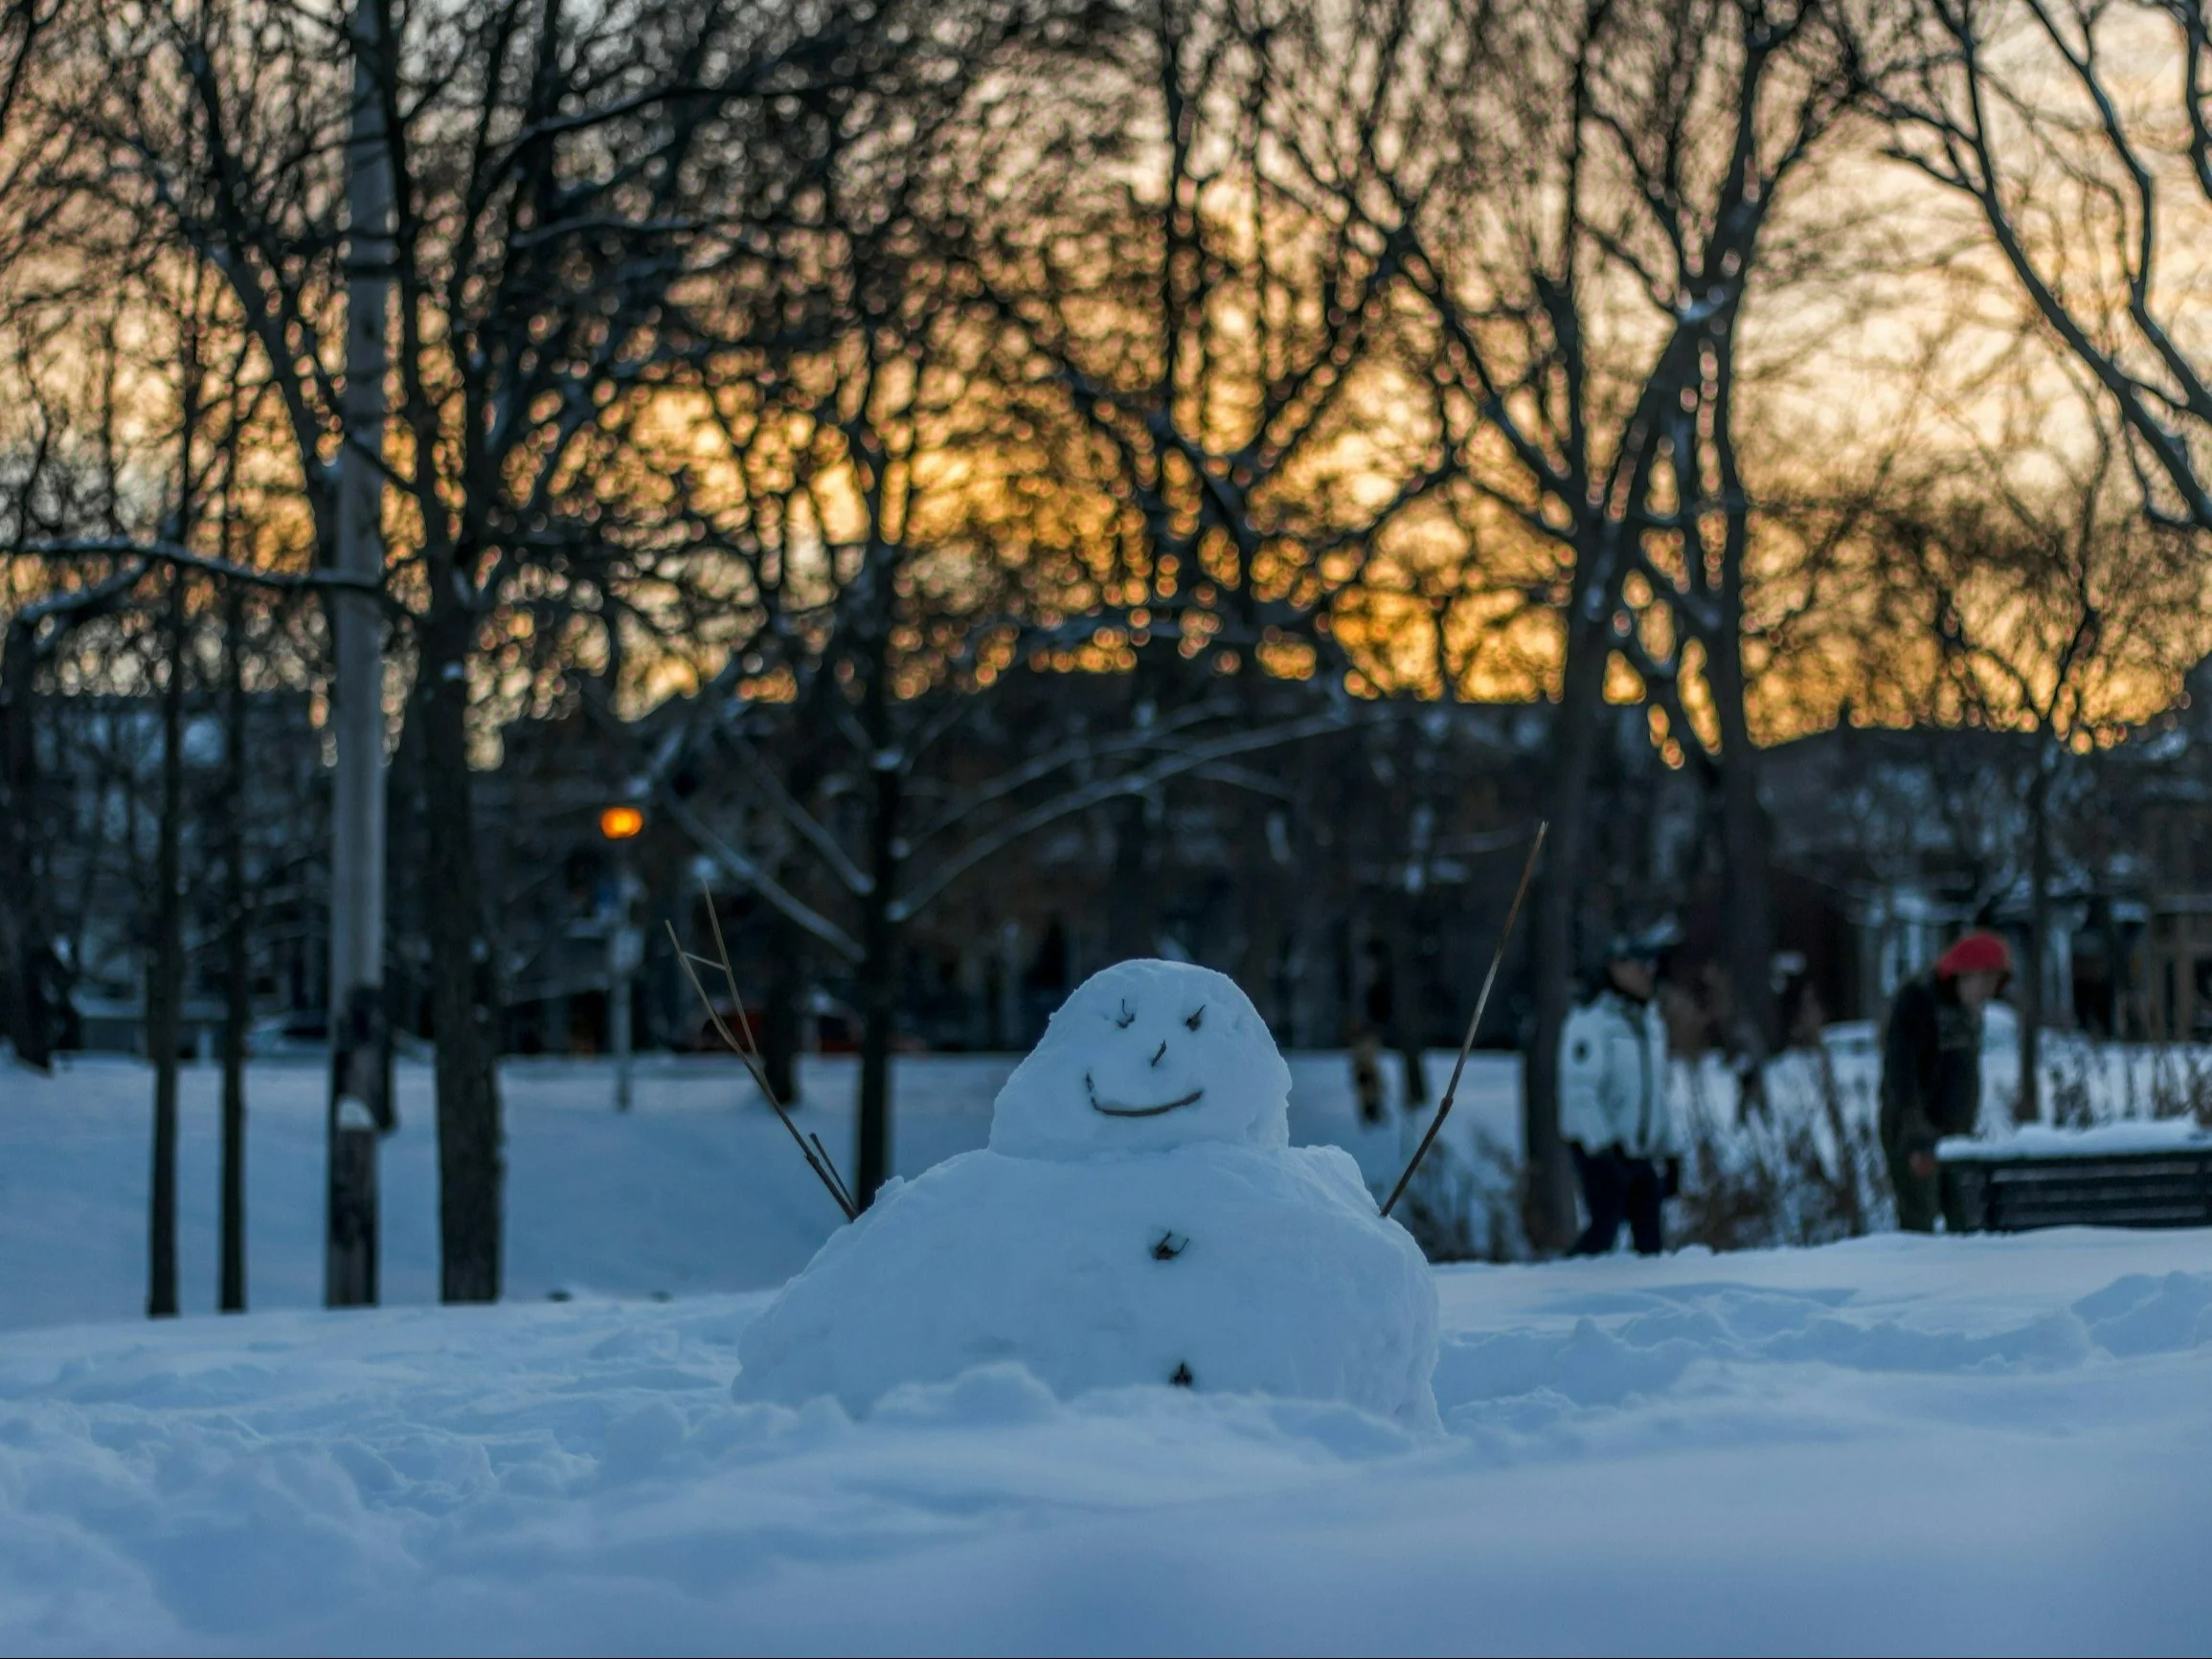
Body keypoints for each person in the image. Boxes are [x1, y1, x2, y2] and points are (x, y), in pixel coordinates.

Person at [1560, 930, 1682, 1256]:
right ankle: (1564, 1293)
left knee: (1650, 1242)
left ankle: (1646, 1303)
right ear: (1615, 967)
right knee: (1604, 1230)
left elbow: (1657, 1092)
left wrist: (1671, 1150)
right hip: (1600, 1150)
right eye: (1639, 963)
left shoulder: (1650, 1022)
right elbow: (1580, 1092)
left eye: (1651, 963)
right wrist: (1602, 1150)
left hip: (1640, 1152)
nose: (1648, 971)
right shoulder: (1592, 1022)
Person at [1879, 930, 2011, 1233]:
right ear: (1965, 974)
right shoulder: (1918, 999)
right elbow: (1901, 1069)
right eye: (1986, 982)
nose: (1989, 993)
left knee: (1965, 1219)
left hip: (1956, 1134)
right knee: (1920, 1220)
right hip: (1916, 1130)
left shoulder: (1968, 1010)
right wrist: (1914, 1130)